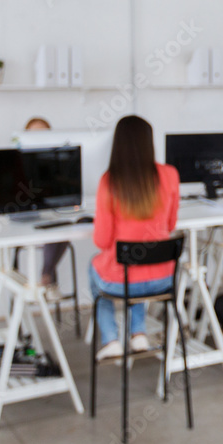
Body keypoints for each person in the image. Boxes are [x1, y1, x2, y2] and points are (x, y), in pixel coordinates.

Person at [89, 115, 180, 361]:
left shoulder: (110, 181)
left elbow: (102, 240)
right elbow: (171, 224)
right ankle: (138, 334)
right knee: (139, 261)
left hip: (123, 282)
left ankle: (111, 339)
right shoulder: (170, 175)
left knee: (96, 268)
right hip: (164, 280)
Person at [21, 117, 69, 297]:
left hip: (49, 215)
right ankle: (48, 277)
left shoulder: (57, 162)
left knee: (63, 228)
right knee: (53, 231)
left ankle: (46, 275)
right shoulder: (19, 163)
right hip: (25, 218)